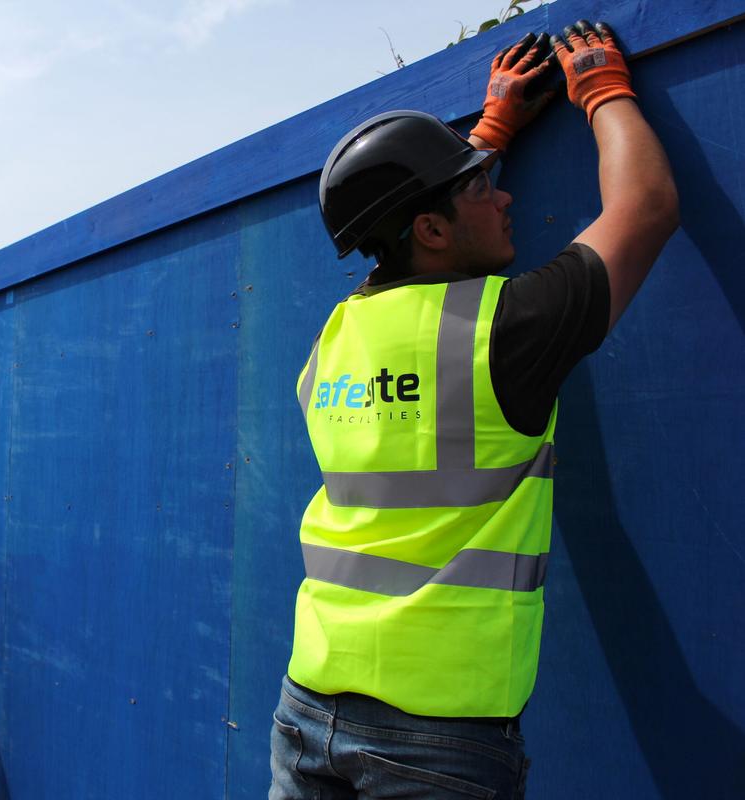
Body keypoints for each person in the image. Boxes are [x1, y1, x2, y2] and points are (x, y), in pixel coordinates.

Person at [270, 20, 677, 799]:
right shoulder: (507, 329)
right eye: (481, 188)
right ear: (429, 228)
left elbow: (414, 254)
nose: (504, 194)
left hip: (305, 708)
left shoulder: (334, 339)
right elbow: (647, 206)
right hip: (438, 740)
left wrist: (487, 131)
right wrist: (599, 84)